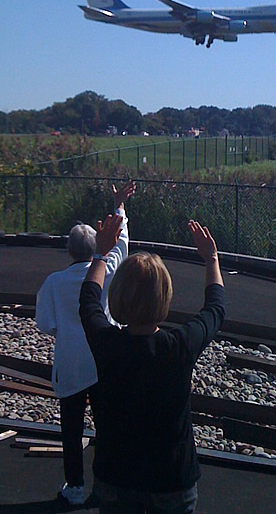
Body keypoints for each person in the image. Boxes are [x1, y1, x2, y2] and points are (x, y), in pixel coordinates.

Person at [79, 216, 225, 513]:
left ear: (118, 294)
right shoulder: (180, 345)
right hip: (172, 480)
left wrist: (100, 253)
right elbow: (215, 308)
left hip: (116, 478)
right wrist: (211, 259)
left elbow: (89, 300)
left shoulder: (107, 343)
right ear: (165, 295)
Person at [35, 180, 136, 507]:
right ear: (96, 247)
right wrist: (119, 206)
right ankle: (109, 486)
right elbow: (122, 240)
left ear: (69, 251)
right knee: (109, 427)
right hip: (104, 361)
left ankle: (75, 488)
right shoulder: (109, 268)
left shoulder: (53, 283)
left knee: (71, 428)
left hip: (71, 364)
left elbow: (45, 325)